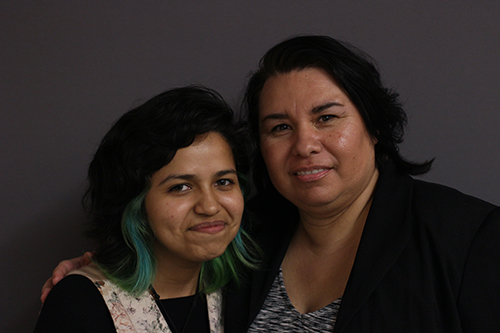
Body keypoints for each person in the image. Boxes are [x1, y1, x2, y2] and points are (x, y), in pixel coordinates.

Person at [42, 36, 500, 332]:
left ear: (373, 126)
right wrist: (93, 277)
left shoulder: (469, 238)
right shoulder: (247, 235)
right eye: (279, 127)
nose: (305, 144)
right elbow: (162, 269)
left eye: (326, 118)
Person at [35, 86, 259, 332]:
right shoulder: (80, 304)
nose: (209, 206)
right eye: (181, 187)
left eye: (223, 182)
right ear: (136, 203)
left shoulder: (244, 291)